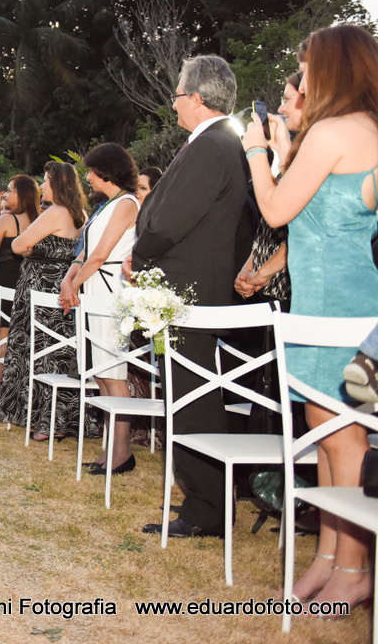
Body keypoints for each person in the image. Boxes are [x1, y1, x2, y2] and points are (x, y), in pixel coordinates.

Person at [243, 25, 378, 610]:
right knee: (326, 434)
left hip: (336, 309)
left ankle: (353, 567)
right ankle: (327, 558)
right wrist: (280, 153)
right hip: (342, 303)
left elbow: (274, 208)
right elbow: (314, 217)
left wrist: (252, 151)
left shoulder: (333, 131)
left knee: (341, 438)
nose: (297, 76)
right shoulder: (363, 130)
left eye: (304, 64)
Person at [131, 54, 254, 539]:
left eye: (178, 93)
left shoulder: (214, 146)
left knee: (194, 400)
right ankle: (203, 501)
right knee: (188, 397)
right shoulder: (214, 143)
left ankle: (207, 508)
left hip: (190, 293)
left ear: (197, 98)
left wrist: (139, 255)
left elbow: (171, 217)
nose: (174, 101)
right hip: (185, 291)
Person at [58, 144, 140, 473]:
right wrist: (68, 280)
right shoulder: (105, 206)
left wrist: (74, 285)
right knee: (102, 375)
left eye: (92, 171)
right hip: (93, 288)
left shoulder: (126, 204)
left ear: (107, 172)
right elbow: (84, 251)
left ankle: (121, 451)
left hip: (109, 292)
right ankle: (110, 448)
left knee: (114, 373)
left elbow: (100, 255)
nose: (87, 177)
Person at [0, 162, 87, 438]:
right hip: (64, 283)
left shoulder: (55, 212)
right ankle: (56, 419)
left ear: (56, 183)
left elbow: (18, 245)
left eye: (45, 181)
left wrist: (29, 245)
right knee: (60, 350)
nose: (42, 186)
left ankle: (43, 421)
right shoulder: (80, 212)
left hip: (39, 283)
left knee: (35, 349)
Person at [234, 72, 305, 308]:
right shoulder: (296, 155)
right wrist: (248, 270)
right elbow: (268, 230)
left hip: (294, 289)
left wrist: (256, 151)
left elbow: (297, 227)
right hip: (269, 289)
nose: (281, 109)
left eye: (286, 99)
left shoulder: (316, 154)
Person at [0, 175, 40, 331]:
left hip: (5, 280)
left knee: (4, 333)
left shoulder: (5, 220)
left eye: (9, 190)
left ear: (22, 194)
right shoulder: (41, 220)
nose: (5, 195)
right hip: (31, 282)